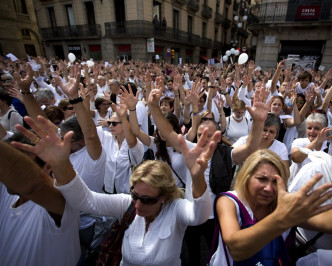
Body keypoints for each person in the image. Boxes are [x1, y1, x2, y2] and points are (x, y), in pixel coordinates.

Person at [11, 112, 220, 266]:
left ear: (164, 196)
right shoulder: (127, 205)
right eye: (135, 195)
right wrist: (60, 165)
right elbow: (86, 200)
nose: (137, 205)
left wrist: (196, 176)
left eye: (147, 200)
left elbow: (198, 215)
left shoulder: (175, 209)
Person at [209, 149, 332, 265]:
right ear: (246, 177)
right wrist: (281, 219)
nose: (268, 188)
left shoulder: (282, 206)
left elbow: (322, 222)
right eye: (262, 179)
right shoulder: (229, 201)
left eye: (275, 182)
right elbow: (236, 249)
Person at [0, 138, 80, 266]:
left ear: (47, 167)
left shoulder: (62, 200)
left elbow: (35, 186)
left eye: (22, 166)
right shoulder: (8, 191)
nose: (10, 173)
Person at [290, 112, 332, 180]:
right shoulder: (299, 142)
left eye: (317, 128)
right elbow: (296, 158)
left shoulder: (328, 145)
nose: (312, 131)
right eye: (309, 128)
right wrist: (316, 142)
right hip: (298, 186)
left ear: (324, 129)